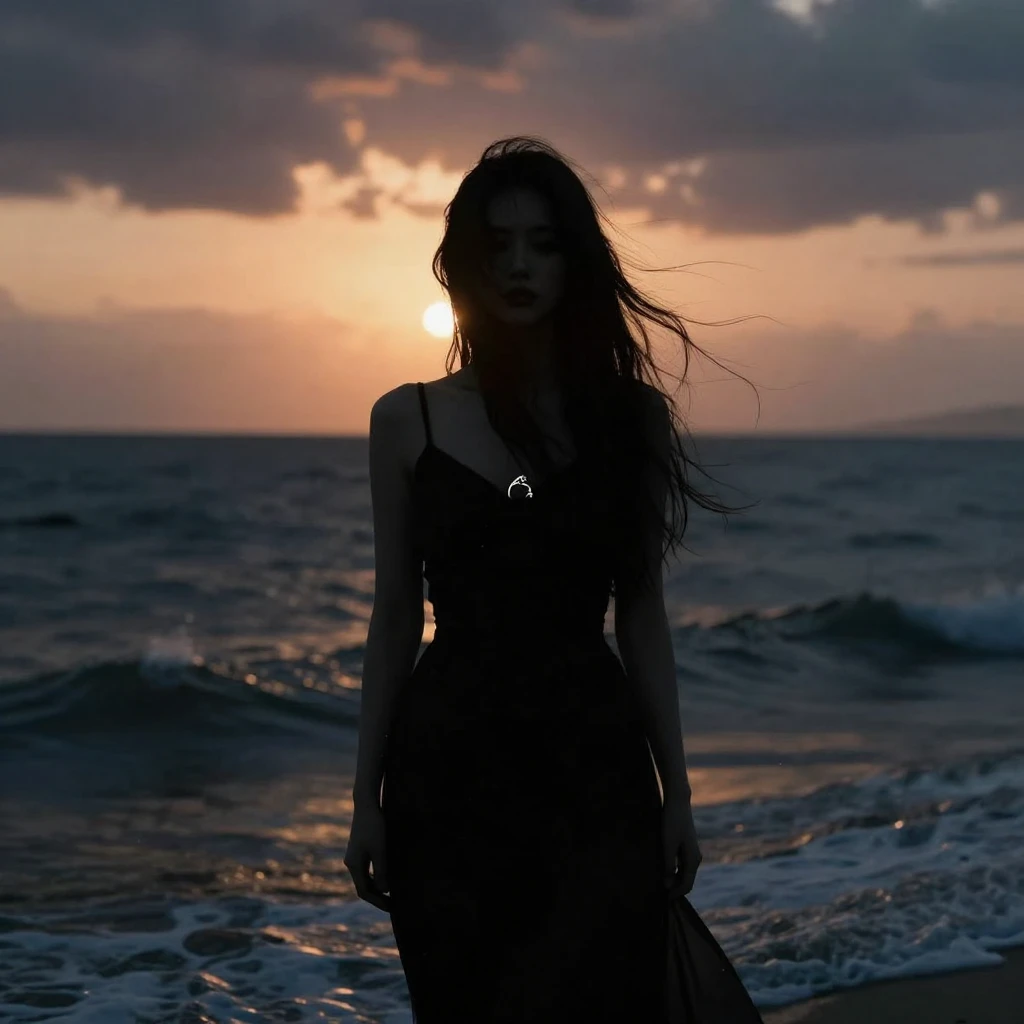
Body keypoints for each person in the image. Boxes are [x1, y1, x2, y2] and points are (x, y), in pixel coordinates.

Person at [345, 136, 763, 1022]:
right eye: (498, 247)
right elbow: (391, 621)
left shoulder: (631, 420)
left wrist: (678, 793)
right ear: (463, 266)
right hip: (446, 776)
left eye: (543, 243)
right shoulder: (405, 420)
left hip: (594, 772)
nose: (521, 266)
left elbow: (643, 612)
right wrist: (364, 801)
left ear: (575, 260)